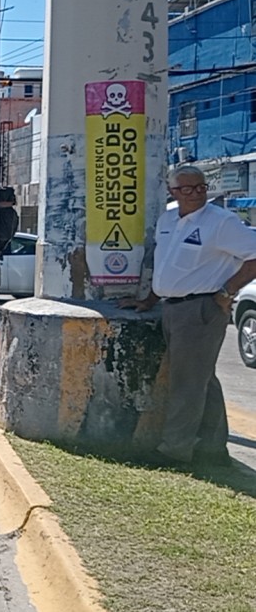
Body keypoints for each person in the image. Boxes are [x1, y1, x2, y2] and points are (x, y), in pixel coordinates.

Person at [119, 165, 256, 467]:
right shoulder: (168, 219)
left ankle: (174, 450)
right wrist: (150, 298)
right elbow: (166, 263)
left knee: (187, 384)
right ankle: (213, 449)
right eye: (187, 189)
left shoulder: (221, 222)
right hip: (170, 308)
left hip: (201, 309)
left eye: (201, 188)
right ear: (173, 192)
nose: (196, 194)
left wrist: (228, 290)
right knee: (202, 380)